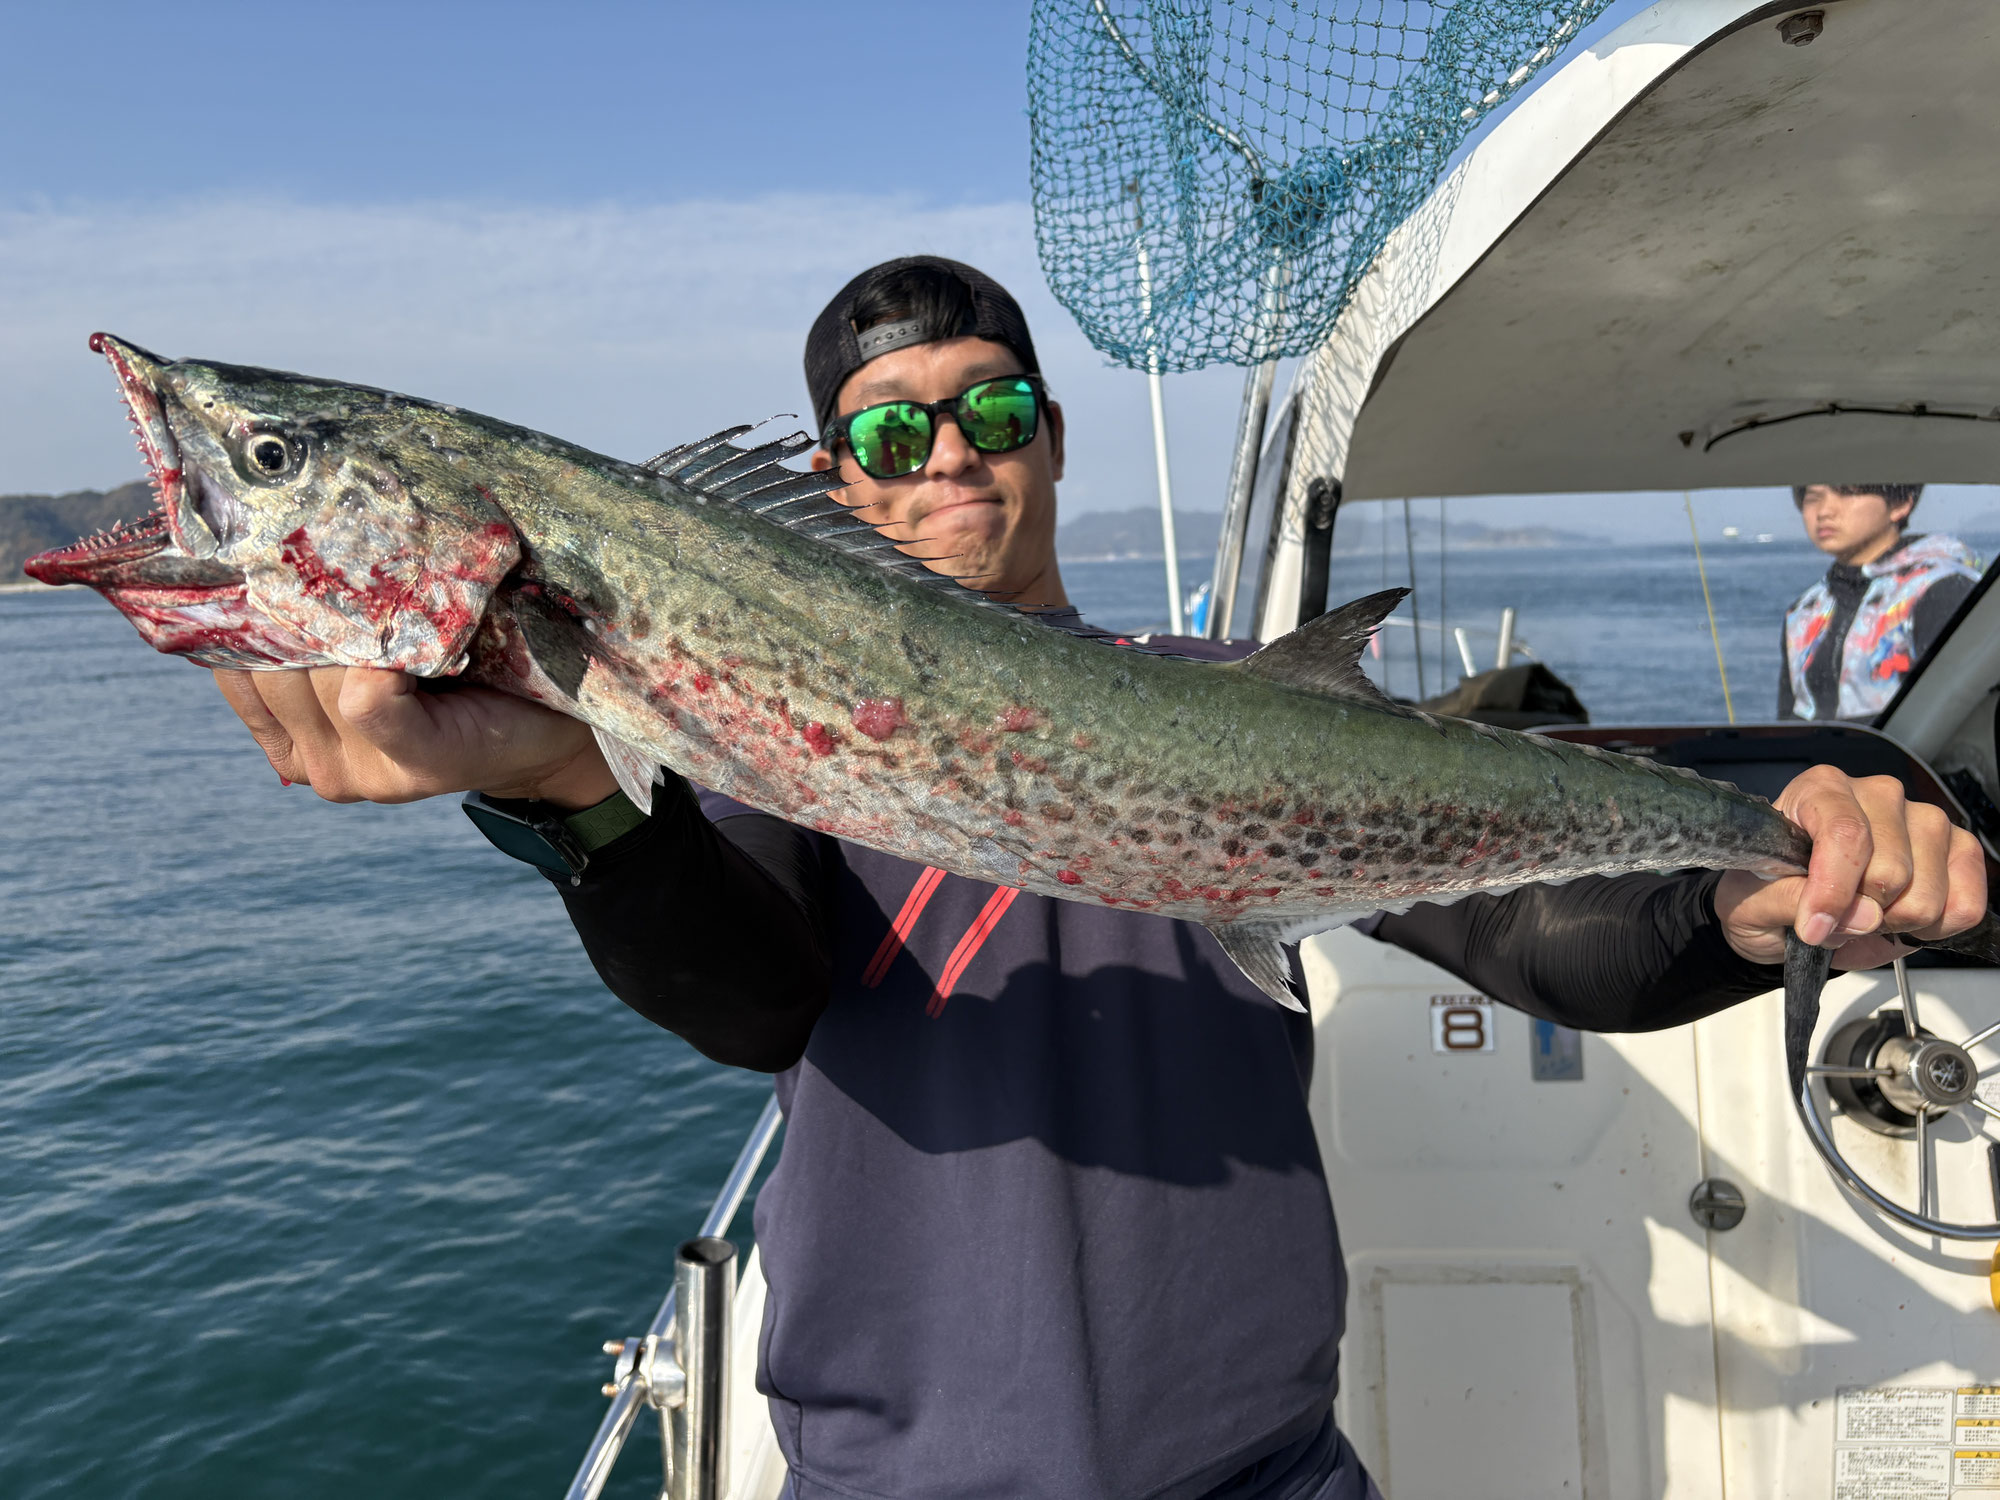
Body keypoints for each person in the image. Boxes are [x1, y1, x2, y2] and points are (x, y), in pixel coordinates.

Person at [213, 259, 1988, 1500]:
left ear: (1052, 434)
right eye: (889, 433)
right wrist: (564, 794)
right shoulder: (740, 730)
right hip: (879, 1480)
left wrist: (1748, 902)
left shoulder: (1232, 706)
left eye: (989, 407)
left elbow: (1532, 929)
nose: (951, 453)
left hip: (1256, 1473)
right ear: (824, 485)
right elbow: (750, 996)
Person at [1780, 483, 1984, 720]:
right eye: (1813, 498)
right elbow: (1787, 721)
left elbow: (1958, 711)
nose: (1824, 511)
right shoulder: (1804, 611)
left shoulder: (1940, 588)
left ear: (1900, 504)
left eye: (1847, 492)